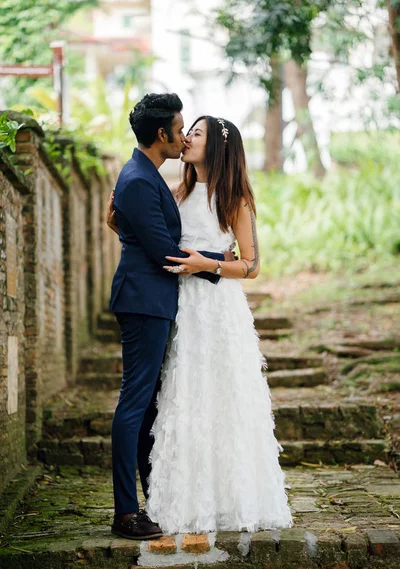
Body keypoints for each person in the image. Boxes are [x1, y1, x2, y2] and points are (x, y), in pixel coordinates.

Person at [108, 113, 292, 535]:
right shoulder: (176, 192)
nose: (186, 137)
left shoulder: (235, 199)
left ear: (219, 147)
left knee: (221, 398)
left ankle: (229, 494)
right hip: (179, 306)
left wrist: (207, 263)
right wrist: (117, 219)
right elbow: (152, 235)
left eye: (197, 133)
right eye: (186, 130)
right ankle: (183, 494)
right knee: (181, 398)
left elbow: (252, 265)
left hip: (218, 309)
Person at [108, 94, 234, 541]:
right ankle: (126, 513)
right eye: (181, 129)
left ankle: (149, 500)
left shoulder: (147, 175)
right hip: (144, 301)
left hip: (154, 301)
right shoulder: (140, 178)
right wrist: (220, 259)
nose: (183, 137)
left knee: (145, 407)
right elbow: (163, 249)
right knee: (134, 405)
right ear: (161, 134)